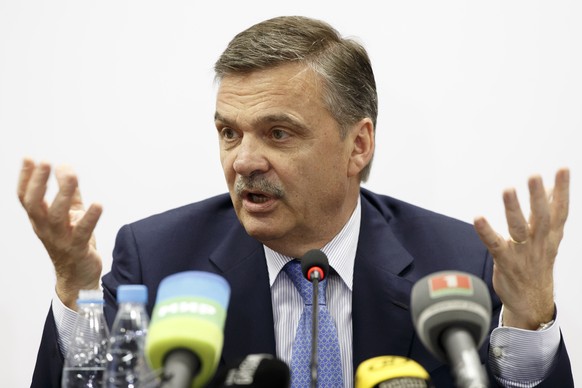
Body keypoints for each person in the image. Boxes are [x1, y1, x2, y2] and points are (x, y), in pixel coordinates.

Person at [19, 16, 573, 387]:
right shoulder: (160, 260)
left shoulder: (453, 264)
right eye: (228, 132)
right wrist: (75, 286)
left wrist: (527, 318)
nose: (244, 161)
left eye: (278, 133)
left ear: (358, 145)